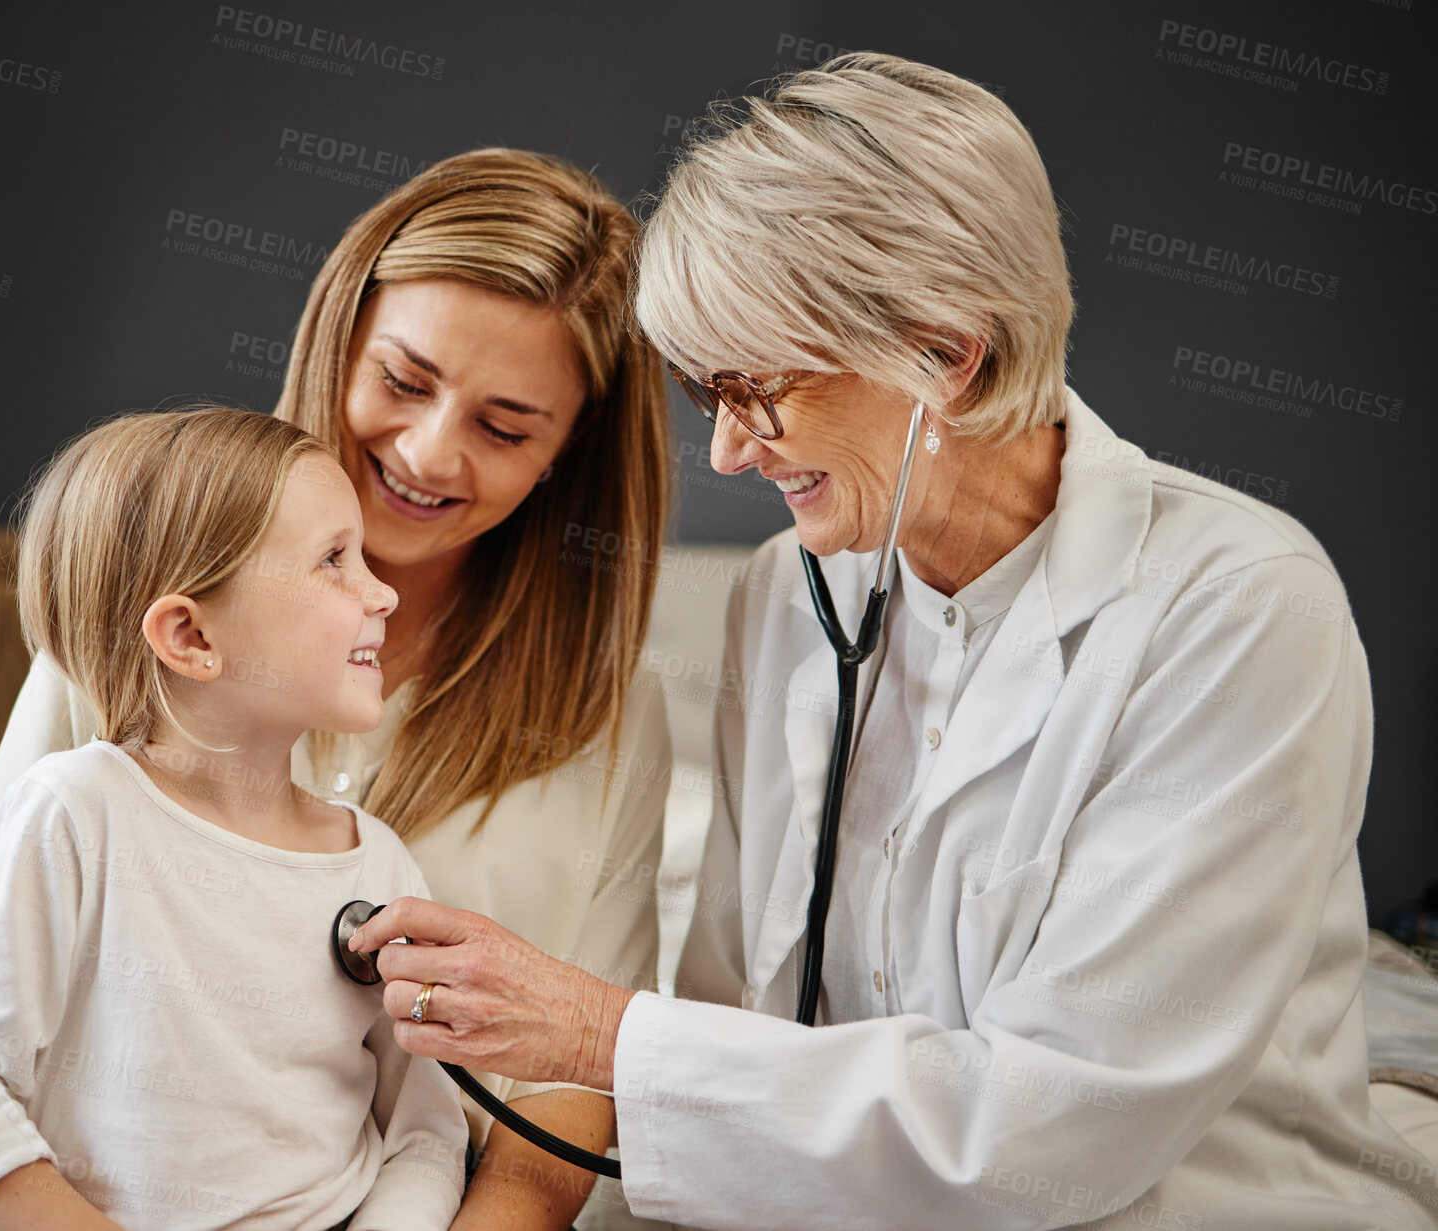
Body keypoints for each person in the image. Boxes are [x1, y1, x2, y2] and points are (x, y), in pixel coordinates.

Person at [341, 55, 1438, 1229]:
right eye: (709, 395)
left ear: (946, 353)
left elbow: (1061, 1128)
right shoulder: (788, 592)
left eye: (761, 390)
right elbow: (731, 1016)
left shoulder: (1235, 609)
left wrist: (596, 1029)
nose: (726, 453)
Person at [0, 149, 673, 1231]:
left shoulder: (605, 717)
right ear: (338, 338)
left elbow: (559, 1092)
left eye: (504, 427)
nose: (428, 452)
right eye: (402, 380)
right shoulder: (133, 635)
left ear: (567, 451)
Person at [0, 408, 469, 1230]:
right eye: (334, 560)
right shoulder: (74, 814)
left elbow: (426, 1129)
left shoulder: (375, 863)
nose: (384, 591)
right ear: (193, 635)